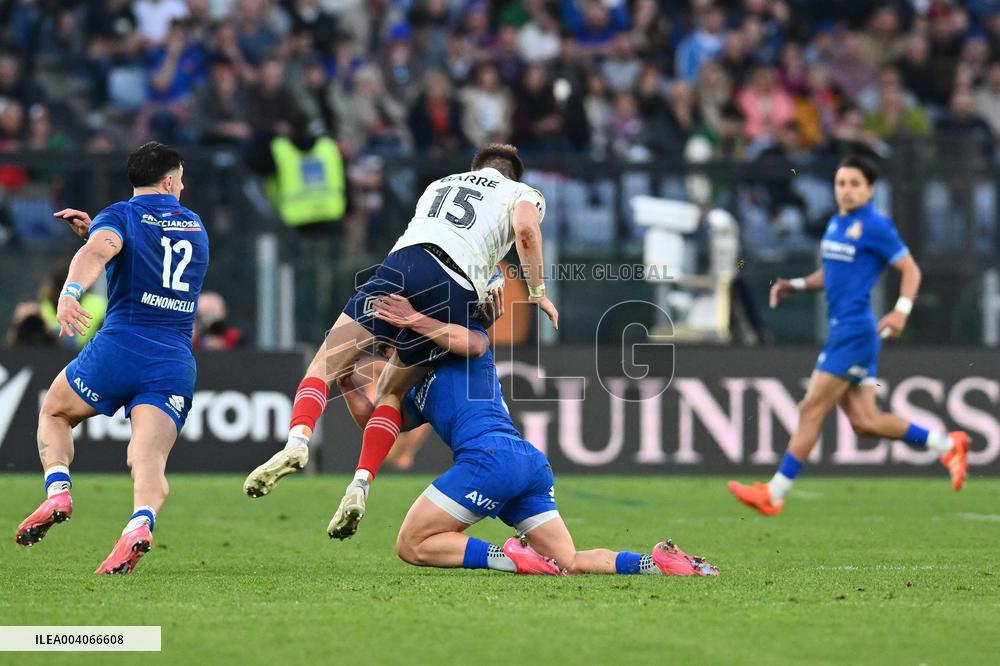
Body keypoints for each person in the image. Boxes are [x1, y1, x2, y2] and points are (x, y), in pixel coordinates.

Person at [242, 144, 559, 525]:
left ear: (474, 168)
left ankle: (297, 439)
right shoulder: (519, 193)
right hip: (450, 282)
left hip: (399, 263)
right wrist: (537, 292)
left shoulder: (439, 185)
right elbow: (525, 230)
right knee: (391, 391)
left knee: (324, 364)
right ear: (511, 175)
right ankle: (360, 484)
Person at [335, 290, 718, 577]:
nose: (388, 356)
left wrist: (412, 317)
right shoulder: (413, 389)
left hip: (489, 460)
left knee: (412, 544)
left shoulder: (455, 341)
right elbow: (382, 426)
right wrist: (345, 382)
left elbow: (468, 336)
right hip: (526, 462)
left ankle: (509, 558)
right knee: (567, 561)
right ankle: (661, 564)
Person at [728, 156, 969, 516]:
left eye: (855, 184)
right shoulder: (837, 223)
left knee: (811, 407)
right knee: (865, 422)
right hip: (846, 331)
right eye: (841, 183)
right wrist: (794, 284)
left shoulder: (875, 226)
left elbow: (911, 270)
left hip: (855, 331)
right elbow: (831, 273)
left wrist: (901, 310)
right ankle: (945, 443)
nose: (847, 190)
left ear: (870, 190)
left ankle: (774, 493)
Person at [14, 142, 209, 574]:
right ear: (170, 181)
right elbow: (147, 254)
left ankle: (58, 491)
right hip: (173, 357)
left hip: (121, 346)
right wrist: (97, 231)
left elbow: (98, 253)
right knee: (147, 459)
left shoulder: (121, 215)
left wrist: (70, 292)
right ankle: (140, 523)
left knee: (55, 412)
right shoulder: (195, 225)